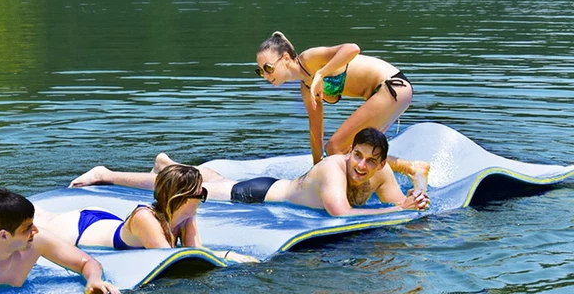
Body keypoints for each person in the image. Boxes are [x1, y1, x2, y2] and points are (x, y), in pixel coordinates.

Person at [69, 128, 430, 218]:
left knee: (208, 179)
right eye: (357, 156)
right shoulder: (333, 168)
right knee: (189, 188)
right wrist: (399, 209)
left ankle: (168, 163)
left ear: (382, 163)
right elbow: (342, 213)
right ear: (349, 152)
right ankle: (107, 174)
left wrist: (411, 201)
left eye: (370, 161)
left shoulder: (379, 174)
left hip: (268, 190)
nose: (361, 165)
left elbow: (398, 205)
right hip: (258, 194)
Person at [0, 165, 257, 264]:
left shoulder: (186, 215)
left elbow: (195, 250)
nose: (203, 199)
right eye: (200, 194)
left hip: (104, 222)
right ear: (181, 198)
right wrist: (230, 257)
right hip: (80, 230)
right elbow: (172, 257)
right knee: (38, 223)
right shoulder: (147, 219)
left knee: (42, 214)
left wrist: (229, 258)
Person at [254, 30, 429, 188]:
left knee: (335, 147)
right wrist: (316, 171)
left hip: (392, 86)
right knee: (353, 150)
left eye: (268, 68)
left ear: (285, 58)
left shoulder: (309, 59)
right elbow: (316, 133)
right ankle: (406, 171)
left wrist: (321, 74)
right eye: (261, 71)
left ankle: (411, 168)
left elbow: (352, 49)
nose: (266, 76)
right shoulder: (306, 88)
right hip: (388, 94)